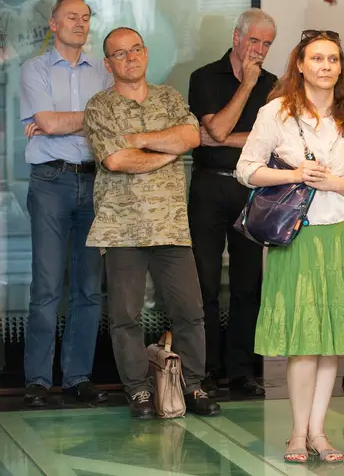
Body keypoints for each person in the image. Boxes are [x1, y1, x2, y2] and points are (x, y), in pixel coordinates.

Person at [236, 29, 344, 464]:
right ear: (300, 65)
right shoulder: (275, 113)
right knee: (303, 340)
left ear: (341, 68)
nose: (325, 66)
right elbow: (246, 170)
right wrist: (295, 174)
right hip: (297, 235)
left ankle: (319, 432)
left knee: (332, 340)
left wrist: (335, 183)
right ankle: (297, 434)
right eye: (316, 58)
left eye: (332, 59)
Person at [83, 27, 220, 419]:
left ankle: (192, 386)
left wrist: (139, 139)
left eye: (136, 49)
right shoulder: (99, 107)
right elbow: (115, 160)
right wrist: (165, 152)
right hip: (121, 228)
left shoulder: (170, 97)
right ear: (108, 64)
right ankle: (139, 391)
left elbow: (190, 136)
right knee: (126, 317)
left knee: (190, 311)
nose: (131, 58)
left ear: (145, 53)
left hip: (171, 226)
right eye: (120, 53)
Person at [19, 0, 112, 408]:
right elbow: (47, 121)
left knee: (89, 288)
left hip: (95, 182)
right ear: (53, 24)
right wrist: (63, 122)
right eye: (72, 17)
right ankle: (38, 381)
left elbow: (113, 122)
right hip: (50, 182)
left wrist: (60, 123)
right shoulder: (34, 69)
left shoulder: (104, 72)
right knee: (46, 287)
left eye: (86, 18)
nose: (80, 23)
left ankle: (78, 378)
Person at [187, 8, 279, 398]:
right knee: (204, 282)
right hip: (209, 185)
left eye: (267, 44)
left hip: (251, 188)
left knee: (247, 284)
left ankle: (242, 370)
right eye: (254, 40)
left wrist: (221, 136)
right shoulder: (204, 77)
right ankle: (205, 368)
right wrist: (247, 86)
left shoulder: (274, 85)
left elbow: (270, 142)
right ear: (236, 37)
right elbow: (219, 127)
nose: (259, 49)